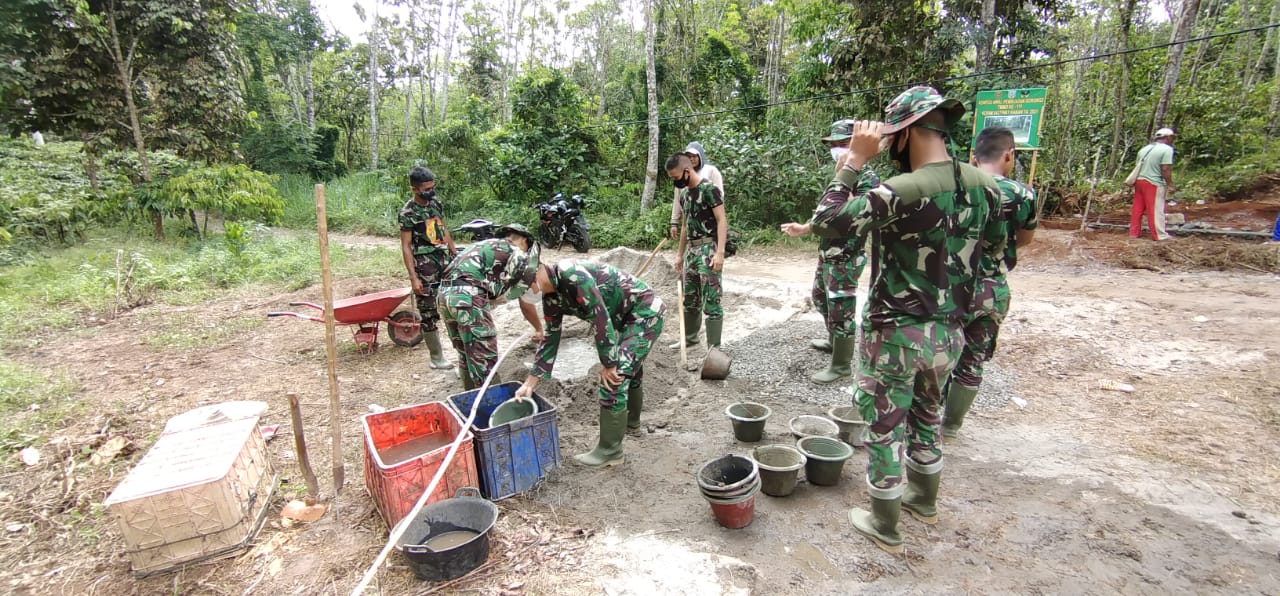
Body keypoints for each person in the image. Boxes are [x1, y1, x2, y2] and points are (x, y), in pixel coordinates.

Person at [809, 86, 1006, 554]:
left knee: (884, 424)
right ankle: (923, 498)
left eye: (890, 135)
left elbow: (826, 220)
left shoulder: (903, 189)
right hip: (950, 333)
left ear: (907, 133)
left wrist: (853, 161)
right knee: (928, 415)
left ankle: (885, 523)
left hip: (897, 332)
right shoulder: (987, 188)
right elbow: (997, 255)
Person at [514, 260, 665, 467]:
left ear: (534, 278)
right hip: (625, 318)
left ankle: (610, 452)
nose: (526, 294)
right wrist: (530, 382)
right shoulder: (551, 298)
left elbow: (600, 319)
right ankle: (631, 425)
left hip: (645, 314)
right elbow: (550, 337)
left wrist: (609, 363)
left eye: (523, 288)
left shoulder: (572, 275)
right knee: (630, 370)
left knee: (616, 376)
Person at [940, 127, 1038, 441]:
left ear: (973, 157)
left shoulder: (952, 187)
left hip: (949, 287)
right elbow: (1024, 238)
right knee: (972, 359)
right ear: (1009, 155)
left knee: (938, 355)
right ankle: (951, 427)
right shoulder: (1021, 194)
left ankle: (922, 421)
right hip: (989, 288)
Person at [780, 119, 875, 384]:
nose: (836, 149)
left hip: (846, 254)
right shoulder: (842, 174)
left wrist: (844, 174)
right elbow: (826, 217)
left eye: (841, 144)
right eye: (833, 145)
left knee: (841, 308)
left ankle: (842, 366)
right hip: (829, 253)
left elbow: (843, 216)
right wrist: (804, 228)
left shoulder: (866, 178)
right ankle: (835, 342)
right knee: (821, 298)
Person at [437, 224, 542, 390]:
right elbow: (525, 295)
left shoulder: (485, 246)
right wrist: (539, 328)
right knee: (485, 357)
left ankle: (468, 401)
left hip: (444, 295)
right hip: (467, 297)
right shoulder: (516, 252)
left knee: (466, 353)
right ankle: (493, 409)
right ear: (524, 241)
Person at [666, 152, 728, 349]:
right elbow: (685, 226)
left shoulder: (709, 189)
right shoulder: (684, 194)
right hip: (691, 252)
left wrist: (719, 253)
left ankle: (714, 348)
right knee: (690, 298)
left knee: (711, 298)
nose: (675, 182)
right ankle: (690, 338)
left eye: (676, 177)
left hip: (708, 248)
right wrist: (679, 254)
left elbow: (721, 220)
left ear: (687, 171)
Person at [399, 166, 458, 370]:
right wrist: (413, 277)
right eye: (426, 188)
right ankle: (436, 357)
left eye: (433, 187)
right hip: (424, 266)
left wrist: (453, 252)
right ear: (415, 189)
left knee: (452, 302)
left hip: (443, 260)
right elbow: (406, 246)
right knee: (428, 310)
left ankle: (459, 350)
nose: (430, 191)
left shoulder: (436, 203)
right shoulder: (408, 212)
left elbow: (443, 228)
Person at [669, 142, 725, 240]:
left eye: (694, 156)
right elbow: (678, 200)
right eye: (688, 157)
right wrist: (674, 222)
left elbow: (719, 196)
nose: (691, 159)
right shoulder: (681, 174)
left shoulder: (711, 171)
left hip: (709, 221)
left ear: (700, 156)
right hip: (690, 222)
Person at [1129, 128, 1176, 241]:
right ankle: (1159, 235)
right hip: (1153, 182)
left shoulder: (1144, 149)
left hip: (1139, 181)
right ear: (1167, 137)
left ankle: (1134, 233)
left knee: (1138, 209)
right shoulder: (1167, 149)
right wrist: (1170, 184)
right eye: (1172, 137)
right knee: (1156, 209)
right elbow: (1165, 168)